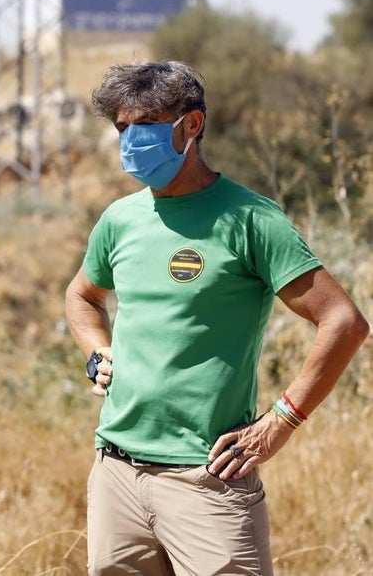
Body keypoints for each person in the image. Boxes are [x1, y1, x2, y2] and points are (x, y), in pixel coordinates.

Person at [64, 60, 368, 575]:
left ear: (192, 125)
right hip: (115, 472)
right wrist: (98, 353)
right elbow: (81, 296)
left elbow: (344, 321)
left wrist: (281, 421)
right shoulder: (119, 219)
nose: (132, 140)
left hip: (207, 481)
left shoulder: (251, 220)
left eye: (147, 125)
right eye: (122, 128)